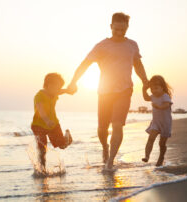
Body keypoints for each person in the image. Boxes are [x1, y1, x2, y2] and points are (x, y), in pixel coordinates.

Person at [67, 12, 148, 170]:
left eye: (123, 30)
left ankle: (110, 161)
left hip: (125, 90)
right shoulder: (102, 46)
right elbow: (85, 64)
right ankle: (105, 147)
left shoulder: (132, 45)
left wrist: (145, 82)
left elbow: (138, 65)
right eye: (116, 29)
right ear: (111, 26)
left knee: (117, 125)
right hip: (104, 91)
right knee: (102, 128)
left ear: (127, 28)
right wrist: (73, 82)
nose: (119, 33)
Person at [31, 73, 73, 171]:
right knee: (42, 149)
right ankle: (42, 169)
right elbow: (41, 110)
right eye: (57, 87)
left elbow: (61, 91)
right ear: (49, 85)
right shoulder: (39, 96)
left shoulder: (53, 93)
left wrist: (68, 91)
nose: (58, 90)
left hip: (53, 125)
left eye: (59, 88)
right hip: (39, 125)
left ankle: (67, 135)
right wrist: (47, 120)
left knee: (62, 146)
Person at [142, 75, 173, 166]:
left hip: (165, 123)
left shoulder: (165, 96)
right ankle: (147, 156)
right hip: (155, 122)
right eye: (152, 89)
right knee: (151, 139)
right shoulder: (153, 96)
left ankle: (161, 157)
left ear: (162, 87)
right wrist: (144, 90)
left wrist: (159, 107)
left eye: (156, 88)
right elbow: (146, 98)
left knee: (161, 143)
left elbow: (167, 105)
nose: (153, 91)